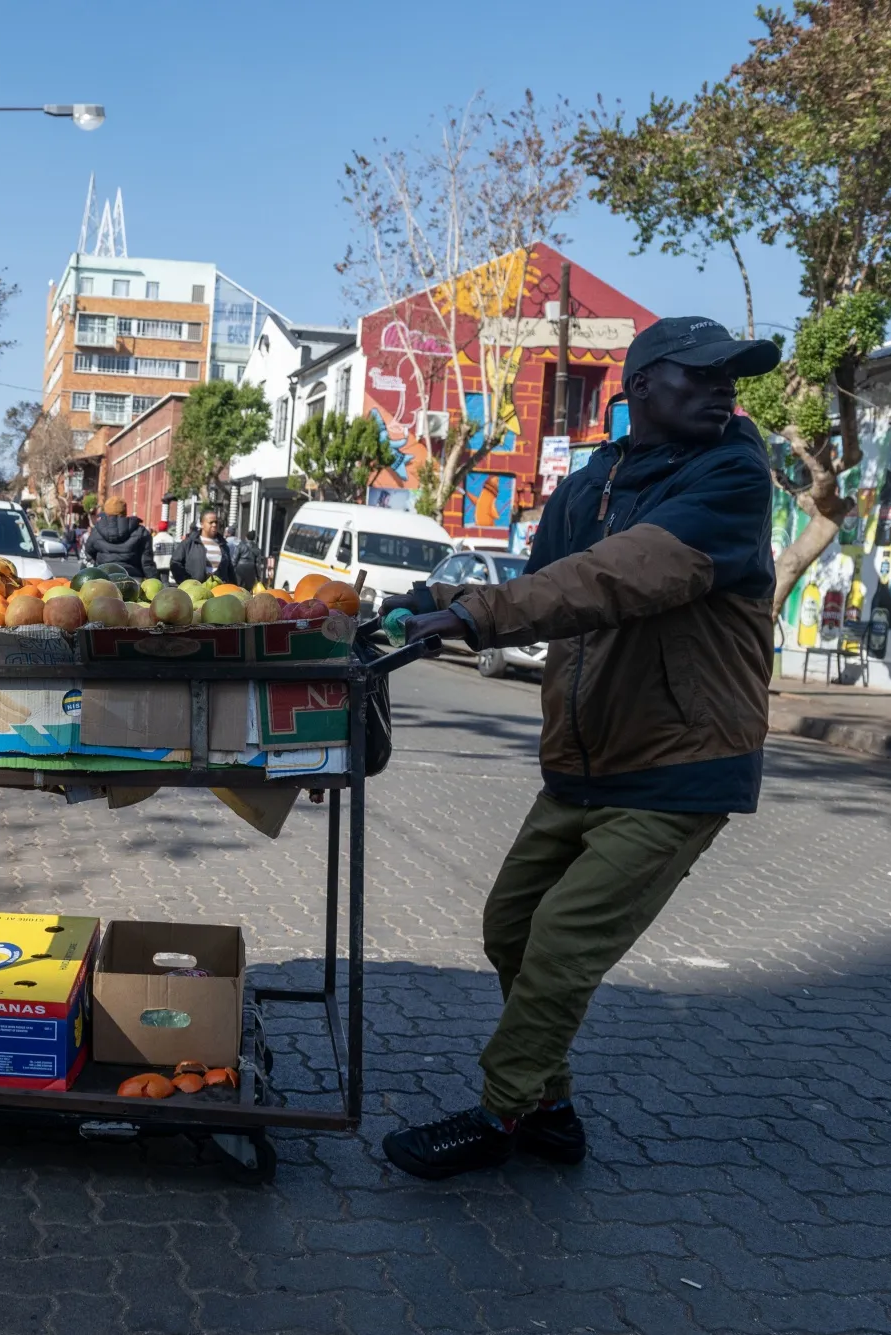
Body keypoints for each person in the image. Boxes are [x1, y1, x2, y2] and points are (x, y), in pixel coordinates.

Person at [376, 316, 781, 1180]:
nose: (724, 390)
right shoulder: (594, 481)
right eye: (701, 374)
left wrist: (477, 617)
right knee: (510, 926)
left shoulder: (734, 478)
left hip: (681, 766)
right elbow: (543, 586)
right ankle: (552, 1109)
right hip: (585, 760)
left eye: (731, 377)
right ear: (638, 388)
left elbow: (621, 575)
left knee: (560, 939)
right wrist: (436, 598)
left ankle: (504, 1110)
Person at [80, 495, 153, 577]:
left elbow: (88, 553)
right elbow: (147, 562)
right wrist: (154, 580)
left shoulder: (96, 530)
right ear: (124, 510)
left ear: (106, 511)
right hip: (132, 577)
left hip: (104, 577)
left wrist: (93, 569)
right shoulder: (140, 531)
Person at [170, 509, 237, 585]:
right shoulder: (189, 543)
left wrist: (234, 587)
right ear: (202, 524)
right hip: (195, 590)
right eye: (211, 522)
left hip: (218, 591)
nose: (214, 525)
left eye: (216, 522)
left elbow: (230, 570)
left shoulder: (223, 545)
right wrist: (185, 582)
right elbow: (175, 562)